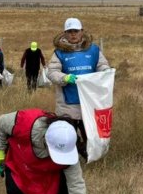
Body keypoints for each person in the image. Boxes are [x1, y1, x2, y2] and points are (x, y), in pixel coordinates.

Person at [47, 17, 110, 155]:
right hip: (67, 104)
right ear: (64, 33)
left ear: (82, 31)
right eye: (69, 31)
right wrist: (65, 78)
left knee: (91, 134)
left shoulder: (93, 50)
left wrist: (106, 72)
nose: (73, 34)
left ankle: (90, 157)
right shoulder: (59, 53)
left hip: (89, 103)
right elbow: (51, 72)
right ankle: (71, 159)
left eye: (76, 31)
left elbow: (102, 65)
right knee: (67, 136)